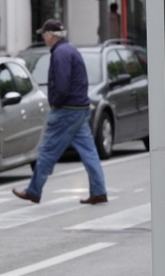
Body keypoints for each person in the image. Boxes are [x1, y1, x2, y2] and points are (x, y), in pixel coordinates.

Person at [13, 19, 108, 205]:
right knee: (89, 152)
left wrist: (55, 103)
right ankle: (99, 191)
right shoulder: (69, 49)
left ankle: (33, 191)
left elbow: (62, 85)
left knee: (47, 151)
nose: (43, 37)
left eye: (44, 33)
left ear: (51, 35)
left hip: (66, 111)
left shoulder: (60, 53)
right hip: (80, 109)